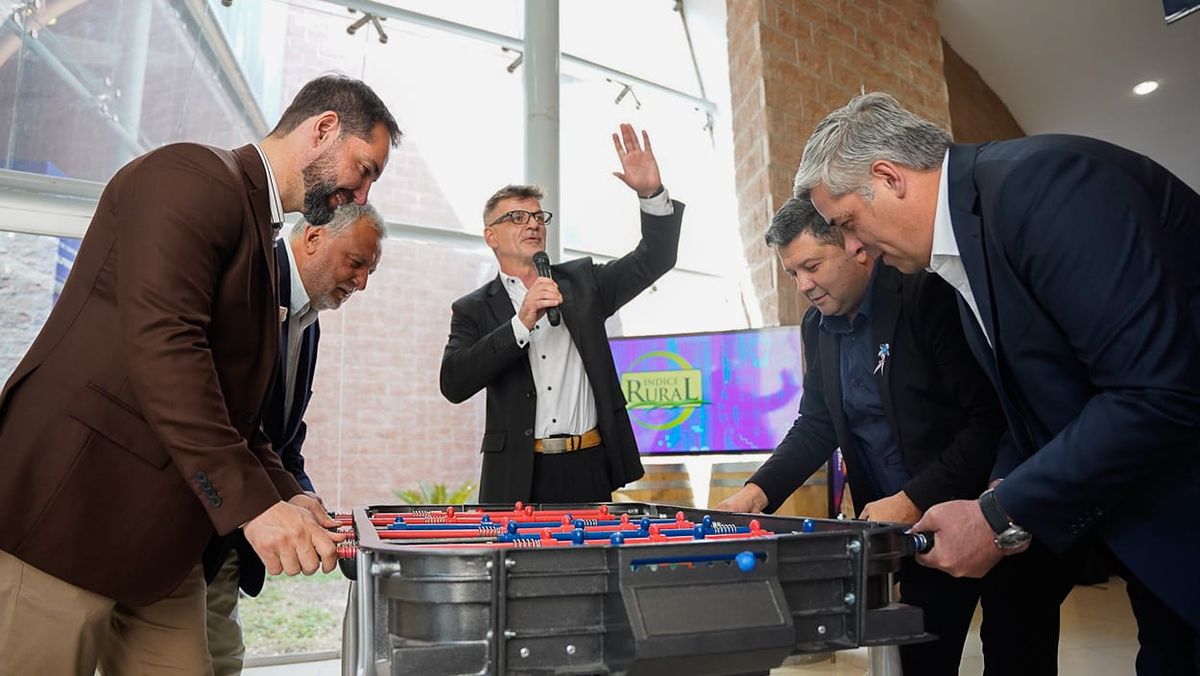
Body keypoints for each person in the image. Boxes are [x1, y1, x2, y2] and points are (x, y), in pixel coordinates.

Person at [0, 74, 401, 675]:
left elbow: (237, 412)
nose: (362, 192)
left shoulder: (261, 240)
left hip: (162, 547)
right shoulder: (190, 177)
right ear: (322, 129)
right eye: (363, 168)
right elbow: (167, 346)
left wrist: (288, 494)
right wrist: (252, 508)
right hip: (69, 516)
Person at [794, 92, 1200, 674]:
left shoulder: (1048, 190)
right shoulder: (964, 253)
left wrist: (1000, 512)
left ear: (887, 178)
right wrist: (991, 497)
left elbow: (1155, 392)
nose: (854, 248)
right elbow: (1036, 404)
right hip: (1149, 529)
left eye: (847, 225)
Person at [717, 197, 1071, 674]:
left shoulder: (925, 294)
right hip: (915, 538)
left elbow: (987, 420)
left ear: (853, 246)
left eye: (812, 266)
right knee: (921, 662)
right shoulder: (816, 327)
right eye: (792, 274)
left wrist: (913, 496)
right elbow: (816, 423)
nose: (803, 285)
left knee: (1017, 656)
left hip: (993, 509)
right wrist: (757, 493)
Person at [440, 124, 683, 504]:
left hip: (587, 464)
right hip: (517, 475)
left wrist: (651, 194)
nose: (534, 223)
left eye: (539, 217)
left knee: (590, 564)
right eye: (518, 217)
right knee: (521, 564)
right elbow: (454, 383)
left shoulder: (584, 282)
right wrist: (520, 323)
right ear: (491, 236)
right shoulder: (472, 308)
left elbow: (656, 257)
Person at [203, 203, 385, 675]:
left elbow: (282, 434)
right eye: (357, 262)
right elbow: (214, 416)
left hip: (221, 543)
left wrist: (301, 495)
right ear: (312, 238)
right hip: (190, 517)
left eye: (371, 269)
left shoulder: (310, 324)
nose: (363, 282)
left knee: (221, 660)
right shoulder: (248, 287)